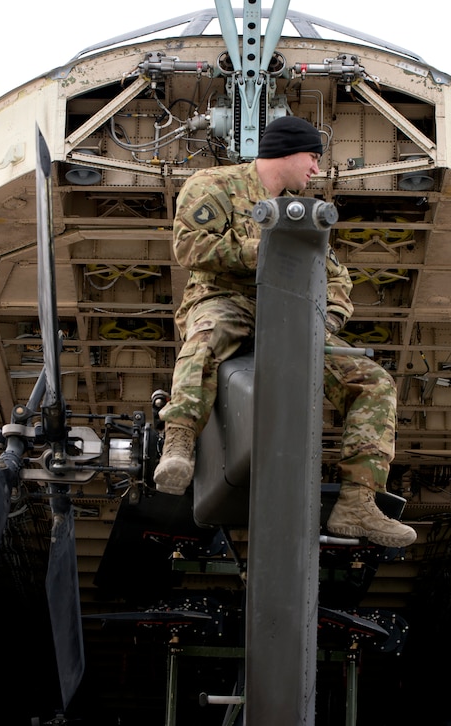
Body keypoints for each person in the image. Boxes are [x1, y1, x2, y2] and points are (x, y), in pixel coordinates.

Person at [154, 115, 417, 549]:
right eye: (312, 158)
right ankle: (178, 443)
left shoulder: (303, 214)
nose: (316, 169)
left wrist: (327, 320)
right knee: (206, 337)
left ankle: (358, 500)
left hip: (290, 313)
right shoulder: (215, 185)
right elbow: (189, 248)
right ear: (287, 153)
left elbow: (337, 279)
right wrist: (262, 251)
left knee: (373, 382)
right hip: (224, 299)